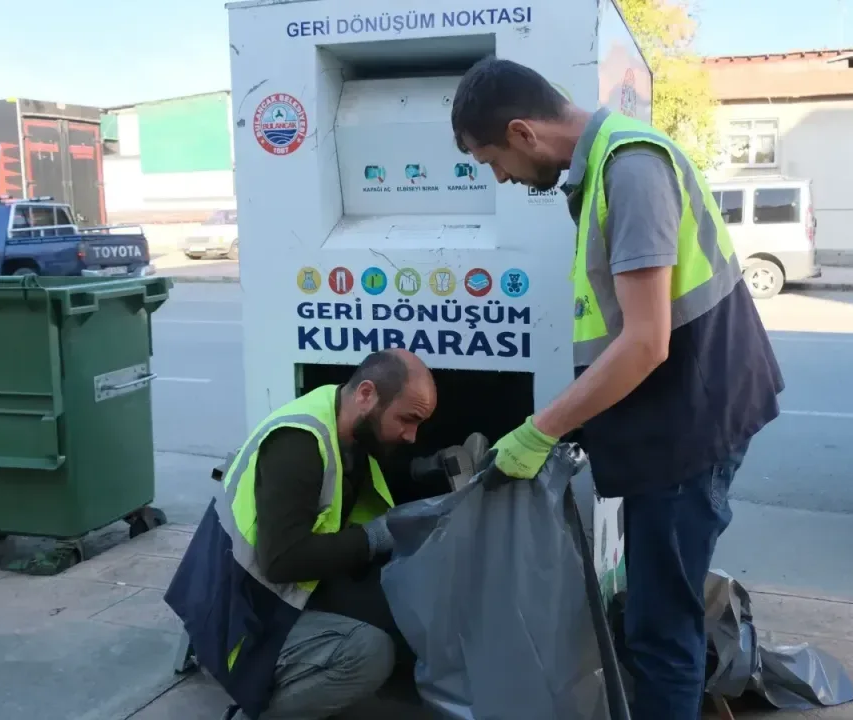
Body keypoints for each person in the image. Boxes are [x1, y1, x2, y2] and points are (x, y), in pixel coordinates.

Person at [450, 57, 785, 719]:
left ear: (523, 133)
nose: (501, 178)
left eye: (491, 160)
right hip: (679, 416)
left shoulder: (629, 169)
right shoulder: (608, 163)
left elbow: (645, 342)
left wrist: (540, 428)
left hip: (688, 430)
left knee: (660, 629)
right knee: (659, 610)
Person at [164, 349, 437, 719]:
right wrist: (375, 536)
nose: (411, 435)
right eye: (408, 419)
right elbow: (282, 562)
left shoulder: (341, 421)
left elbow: (361, 484)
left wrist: (428, 470)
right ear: (367, 394)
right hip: (240, 613)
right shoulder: (299, 444)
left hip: (267, 593)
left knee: (402, 601)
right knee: (367, 652)